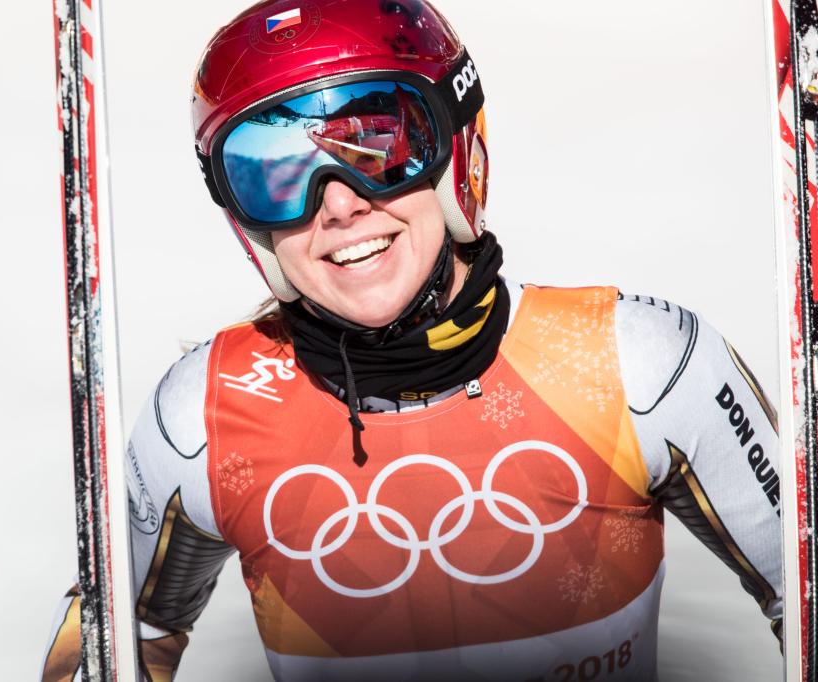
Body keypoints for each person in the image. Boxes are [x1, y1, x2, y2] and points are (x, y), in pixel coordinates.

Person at [41, 1, 784, 680]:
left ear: (456, 151)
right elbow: (120, 635)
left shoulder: (638, 365)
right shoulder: (205, 416)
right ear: (246, 223)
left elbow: (802, 585)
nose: (338, 204)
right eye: (276, 176)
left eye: (375, 149)